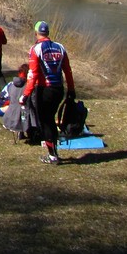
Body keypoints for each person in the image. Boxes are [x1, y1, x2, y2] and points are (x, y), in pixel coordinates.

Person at [21, 21, 76, 164]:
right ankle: (54, 153)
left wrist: (26, 94)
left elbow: (32, 73)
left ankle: (52, 156)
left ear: (36, 33)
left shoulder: (36, 49)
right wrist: (71, 89)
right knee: (50, 119)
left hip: (44, 89)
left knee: (45, 121)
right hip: (59, 89)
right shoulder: (60, 47)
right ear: (48, 33)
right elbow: (68, 70)